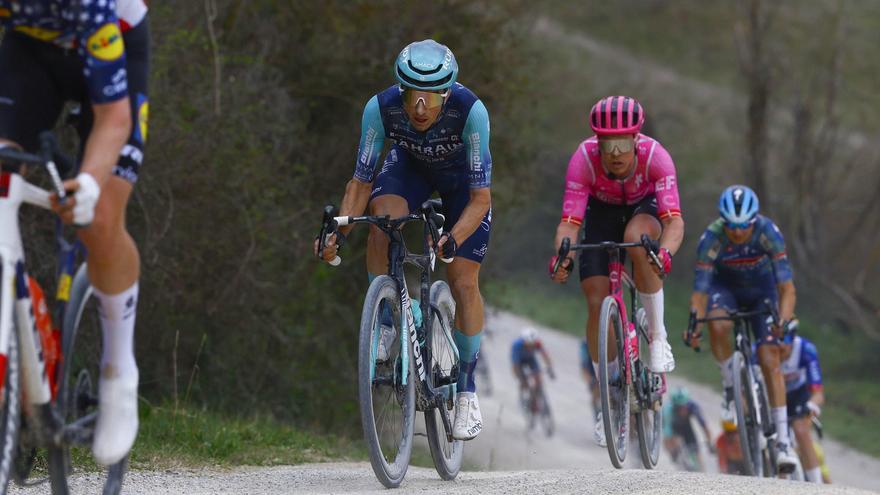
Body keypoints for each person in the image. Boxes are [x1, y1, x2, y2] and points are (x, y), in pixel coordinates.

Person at [314, 39, 492, 440]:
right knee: (381, 221)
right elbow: (360, 182)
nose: (420, 108)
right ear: (401, 90)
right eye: (412, 96)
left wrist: (453, 237)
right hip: (410, 168)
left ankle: (466, 391)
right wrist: (337, 233)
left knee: (463, 280)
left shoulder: (471, 112)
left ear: (446, 93)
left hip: (462, 183)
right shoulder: (380, 109)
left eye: (430, 97)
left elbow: (481, 198)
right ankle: (392, 316)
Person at [0, 0, 149, 466]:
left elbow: (114, 120)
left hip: (114, 49)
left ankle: (118, 370)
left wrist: (87, 183)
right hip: (29, 51)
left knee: (100, 214)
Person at [549, 96, 684, 446]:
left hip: (644, 208)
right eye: (607, 144)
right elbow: (569, 223)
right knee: (595, 299)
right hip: (602, 213)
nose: (614, 153)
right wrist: (562, 255)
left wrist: (665, 254)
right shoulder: (583, 159)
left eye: (623, 143)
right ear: (598, 142)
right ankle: (609, 397)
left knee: (637, 239)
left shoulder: (657, 157)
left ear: (636, 140)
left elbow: (674, 221)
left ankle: (656, 336)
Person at [685, 185, 799, 471]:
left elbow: (786, 287)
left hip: (764, 290)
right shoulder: (712, 237)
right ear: (723, 220)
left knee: (769, 356)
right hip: (726, 290)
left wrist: (782, 322)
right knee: (718, 324)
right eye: (731, 225)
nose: (737, 232)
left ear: (754, 220)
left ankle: (783, 442)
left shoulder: (768, 232)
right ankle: (729, 386)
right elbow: (700, 292)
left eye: (743, 226)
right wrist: (694, 322)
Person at [779, 331, 827, 483]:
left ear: (792, 341)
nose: (780, 352)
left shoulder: (806, 349)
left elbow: (818, 393)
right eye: (777, 347)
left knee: (801, 430)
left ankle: (816, 484)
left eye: (784, 348)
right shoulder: (761, 349)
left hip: (799, 397)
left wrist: (812, 405)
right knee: (775, 444)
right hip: (773, 398)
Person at [662, 388, 713, 472]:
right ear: (674, 405)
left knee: (696, 451)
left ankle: (703, 472)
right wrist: (671, 450)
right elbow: (667, 432)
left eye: (684, 407)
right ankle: (678, 459)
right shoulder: (668, 409)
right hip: (674, 427)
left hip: (687, 427)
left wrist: (710, 442)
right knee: (672, 444)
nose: (682, 410)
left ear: (687, 404)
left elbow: (704, 426)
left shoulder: (693, 406)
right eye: (679, 407)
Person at [511, 327, 555, 412]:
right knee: (524, 381)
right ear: (524, 341)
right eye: (529, 344)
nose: (531, 346)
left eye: (533, 344)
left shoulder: (537, 343)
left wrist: (550, 368)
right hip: (519, 361)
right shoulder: (516, 346)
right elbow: (515, 365)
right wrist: (519, 376)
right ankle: (523, 397)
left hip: (530, 359)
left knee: (538, 378)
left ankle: (535, 398)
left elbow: (545, 355)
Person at [579, 338, 600, 420]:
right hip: (592, 371)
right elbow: (584, 366)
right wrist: (590, 380)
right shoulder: (585, 344)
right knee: (595, 394)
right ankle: (597, 419)